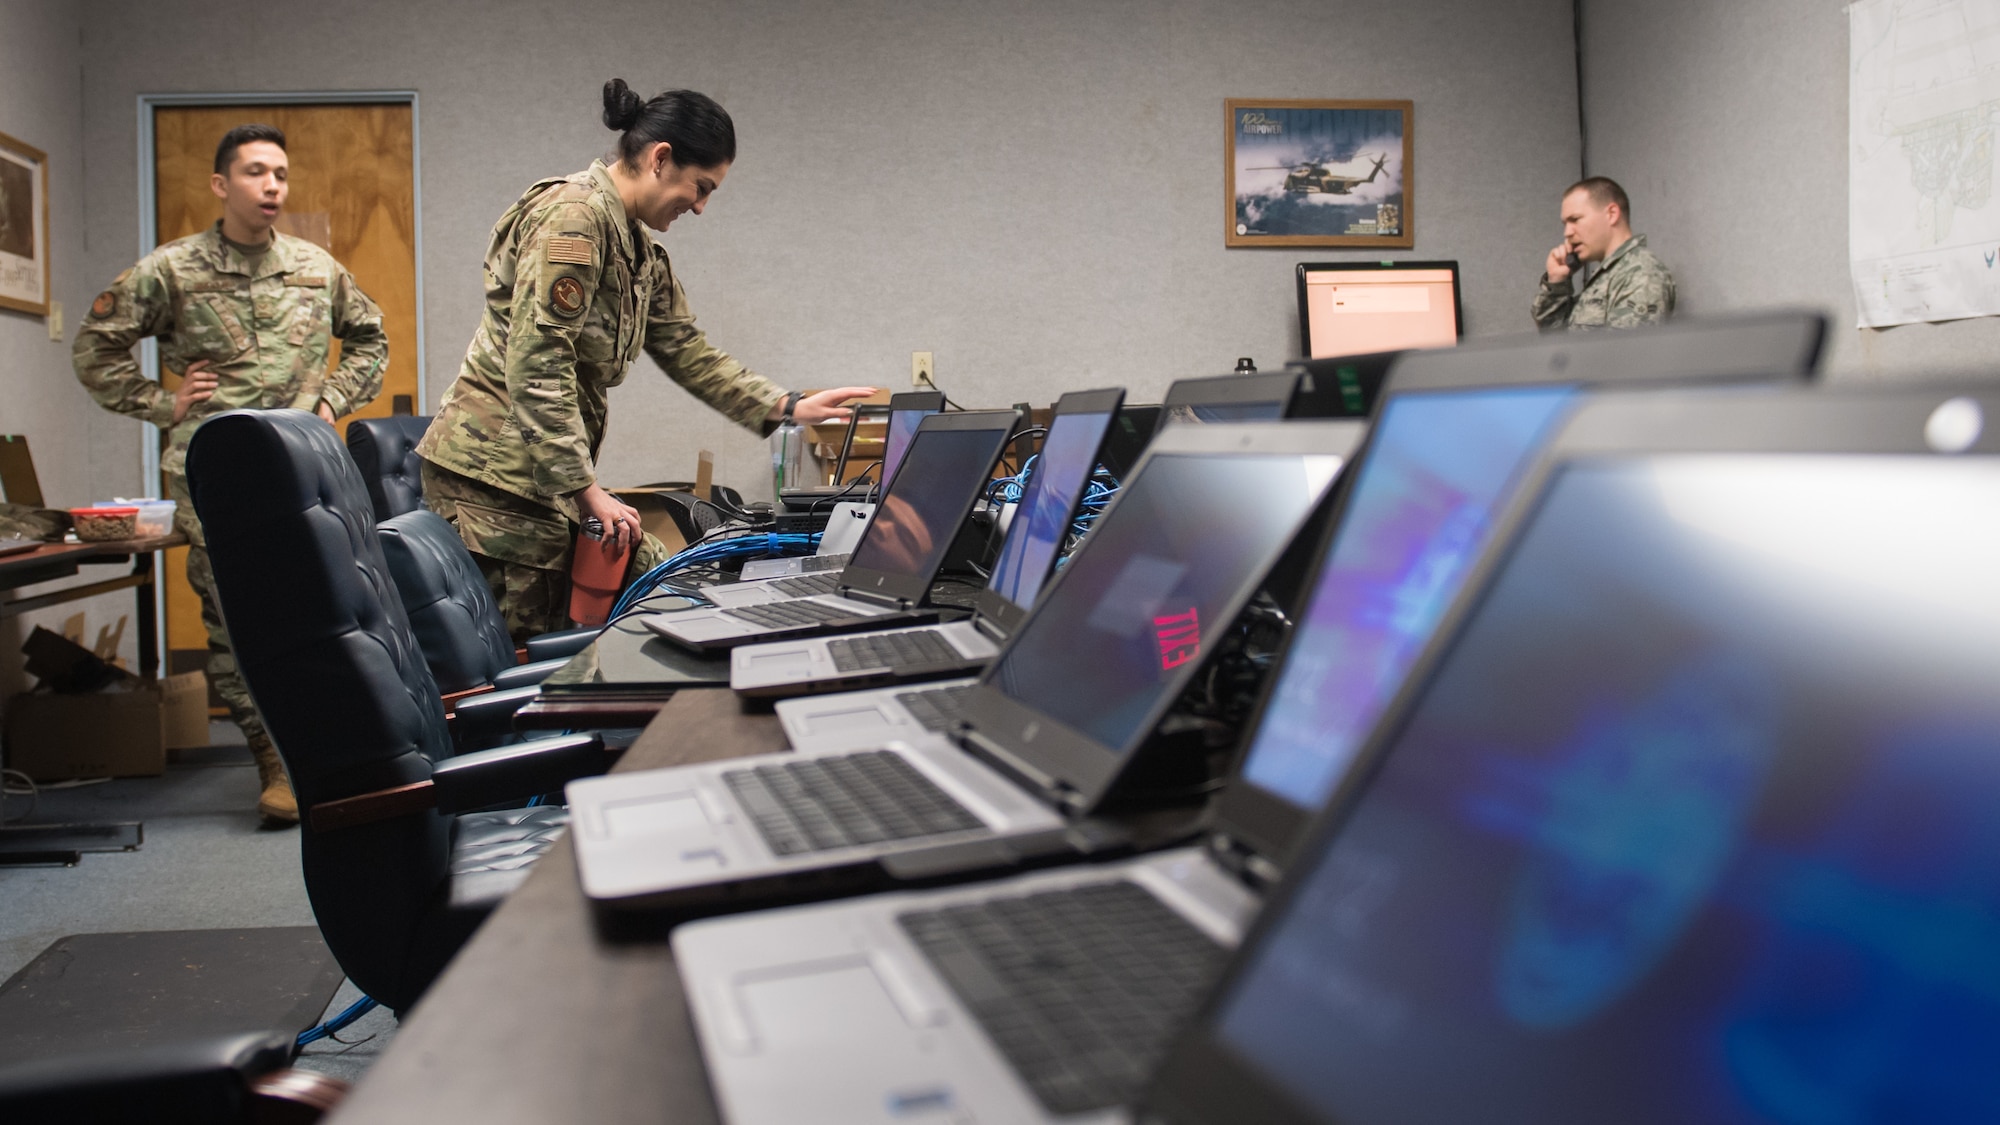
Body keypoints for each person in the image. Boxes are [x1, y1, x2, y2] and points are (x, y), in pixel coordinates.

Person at [417, 80, 874, 640]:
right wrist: (587, 490)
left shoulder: (637, 248)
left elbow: (686, 349)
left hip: (541, 474)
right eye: (700, 187)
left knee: (650, 582)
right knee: (520, 648)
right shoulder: (574, 218)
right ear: (661, 159)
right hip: (495, 479)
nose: (701, 208)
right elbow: (538, 362)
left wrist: (786, 405)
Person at [73, 124, 388, 827]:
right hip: (212, 474)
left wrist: (335, 398)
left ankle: (325, 750)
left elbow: (371, 334)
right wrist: (160, 401)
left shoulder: (316, 266)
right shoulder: (172, 270)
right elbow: (96, 345)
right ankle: (272, 757)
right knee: (236, 618)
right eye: (255, 172)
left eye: (280, 172)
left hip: (304, 466)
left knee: (317, 606)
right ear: (221, 185)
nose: (272, 185)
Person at [1531, 176, 1676, 331]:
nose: (1567, 232)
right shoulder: (1610, 275)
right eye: (1565, 224)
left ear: (1612, 214)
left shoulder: (1641, 274)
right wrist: (1557, 282)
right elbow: (1556, 341)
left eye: (1575, 219)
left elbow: (1627, 351)